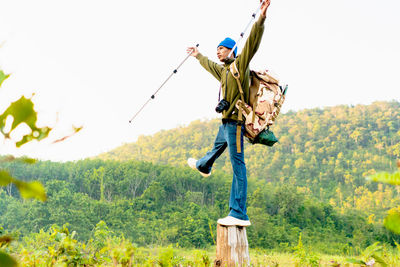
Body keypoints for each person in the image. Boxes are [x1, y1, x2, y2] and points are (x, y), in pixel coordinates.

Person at [186, 0, 271, 227]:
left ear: (232, 50)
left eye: (222, 48)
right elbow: (208, 64)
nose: (218, 51)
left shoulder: (239, 65)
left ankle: (239, 213)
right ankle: (204, 166)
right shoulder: (223, 71)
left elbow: (253, 41)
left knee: (238, 165)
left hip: (235, 124)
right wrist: (198, 55)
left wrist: (261, 17)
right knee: (214, 150)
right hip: (225, 123)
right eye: (217, 49)